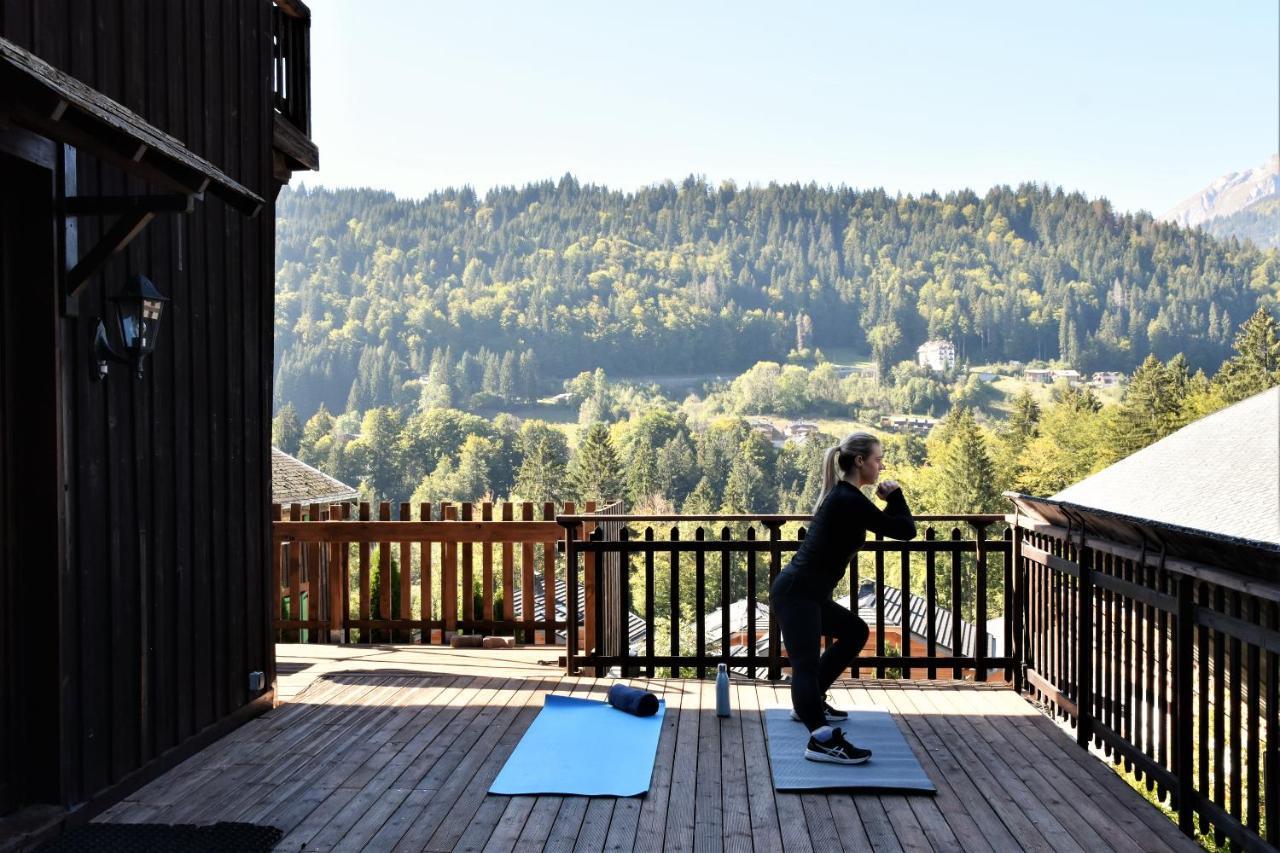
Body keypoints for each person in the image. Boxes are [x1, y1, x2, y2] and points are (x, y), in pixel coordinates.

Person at [769, 431, 916, 764]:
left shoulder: (846, 496)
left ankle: (811, 703)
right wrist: (895, 496)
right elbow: (905, 531)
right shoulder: (848, 499)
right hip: (797, 594)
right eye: (878, 460)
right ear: (860, 461)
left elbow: (896, 528)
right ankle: (820, 739)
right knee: (804, 665)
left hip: (807, 593)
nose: (881, 466)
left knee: (854, 632)